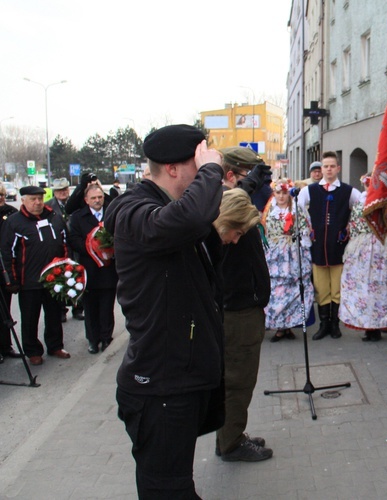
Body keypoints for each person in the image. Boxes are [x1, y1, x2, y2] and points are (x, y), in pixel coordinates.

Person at [103, 124, 225, 498]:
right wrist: (212, 172)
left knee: (175, 484)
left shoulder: (169, 208)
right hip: (159, 387)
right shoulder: (133, 210)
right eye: (198, 160)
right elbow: (188, 219)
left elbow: (199, 224)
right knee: (166, 489)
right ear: (173, 168)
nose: (207, 166)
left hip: (179, 379)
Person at [214, 147, 274, 463]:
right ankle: (231, 442)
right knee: (239, 378)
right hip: (237, 310)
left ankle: (228, 434)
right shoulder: (222, 208)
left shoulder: (228, 198)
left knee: (236, 377)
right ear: (230, 173)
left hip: (241, 306)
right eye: (244, 175)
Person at [1, 185, 69, 366]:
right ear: (23, 200)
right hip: (29, 281)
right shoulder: (14, 222)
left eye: (40, 198)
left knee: (54, 314)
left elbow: (64, 244)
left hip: (54, 279)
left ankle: (55, 345)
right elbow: (7, 253)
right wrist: (11, 279)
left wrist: (66, 270)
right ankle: (32, 350)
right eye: (33, 199)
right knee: (30, 318)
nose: (38, 202)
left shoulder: (54, 218)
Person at [296, 151, 361, 340]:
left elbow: (363, 208)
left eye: (332, 166)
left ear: (338, 168)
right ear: (321, 168)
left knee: (337, 290)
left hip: (339, 247)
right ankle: (324, 324)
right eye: (326, 166)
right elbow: (297, 209)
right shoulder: (310, 190)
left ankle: (335, 325)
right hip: (317, 248)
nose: (329, 169)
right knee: (322, 289)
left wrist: (350, 230)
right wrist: (306, 231)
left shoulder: (349, 191)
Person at [339, 173, 387, 341]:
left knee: (380, 287)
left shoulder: (384, 202)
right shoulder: (359, 202)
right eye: (367, 185)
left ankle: (378, 325)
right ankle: (367, 326)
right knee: (362, 288)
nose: (368, 188)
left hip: (380, 247)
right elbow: (353, 224)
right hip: (360, 249)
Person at [68, 184, 118, 354]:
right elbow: (73, 240)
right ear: (86, 200)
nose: (97, 201)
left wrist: (109, 248)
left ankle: (106, 338)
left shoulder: (112, 213)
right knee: (90, 309)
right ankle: (93, 339)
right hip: (88, 270)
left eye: (100, 198)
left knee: (107, 307)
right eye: (94, 198)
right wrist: (93, 248)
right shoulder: (77, 217)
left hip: (109, 270)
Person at [262, 178, 314, 342]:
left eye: (284, 193)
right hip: (274, 253)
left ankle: (289, 326)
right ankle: (279, 327)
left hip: (292, 252)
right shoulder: (269, 209)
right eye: (278, 193)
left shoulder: (297, 209)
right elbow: (265, 231)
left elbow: (305, 229)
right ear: (274, 194)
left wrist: (304, 247)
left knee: (293, 290)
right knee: (276, 290)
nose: (282, 196)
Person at [47, 177, 84, 322]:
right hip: (60, 246)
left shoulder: (75, 203)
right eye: (59, 190)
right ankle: (62, 309)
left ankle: (78, 308)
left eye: (65, 189)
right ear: (54, 192)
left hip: (75, 244)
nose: (63, 192)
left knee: (76, 276)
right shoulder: (48, 207)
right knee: (61, 277)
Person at [0, 183, 21, 363]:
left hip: (4, 269)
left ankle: (6, 346)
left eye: (1, 195)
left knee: (5, 311)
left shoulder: (10, 213)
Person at [221, 146, 272, 212]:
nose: (254, 181)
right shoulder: (219, 204)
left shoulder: (246, 200)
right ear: (231, 176)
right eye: (250, 175)